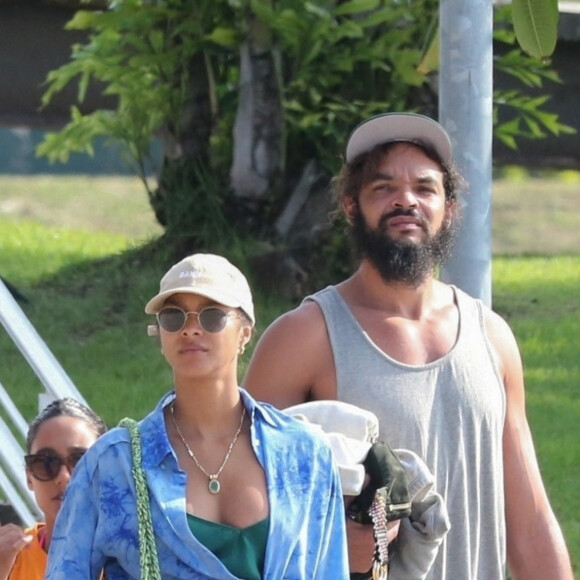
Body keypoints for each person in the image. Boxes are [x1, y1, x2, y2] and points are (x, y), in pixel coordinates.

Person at [243, 113, 574, 579]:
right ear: (351, 206)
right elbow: (242, 510)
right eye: (383, 188)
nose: (406, 200)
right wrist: (332, 542)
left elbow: (530, 519)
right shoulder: (303, 338)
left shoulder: (492, 338)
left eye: (425, 187)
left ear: (449, 208)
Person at [45, 253, 348, 580]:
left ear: (245, 332)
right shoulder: (111, 464)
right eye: (173, 317)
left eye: (212, 316)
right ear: (160, 334)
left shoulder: (305, 454)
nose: (190, 329)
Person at [0, 398, 107, 580]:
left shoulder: (137, 557)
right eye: (45, 462)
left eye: (81, 461)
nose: (63, 477)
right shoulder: (9, 557)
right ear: (29, 476)